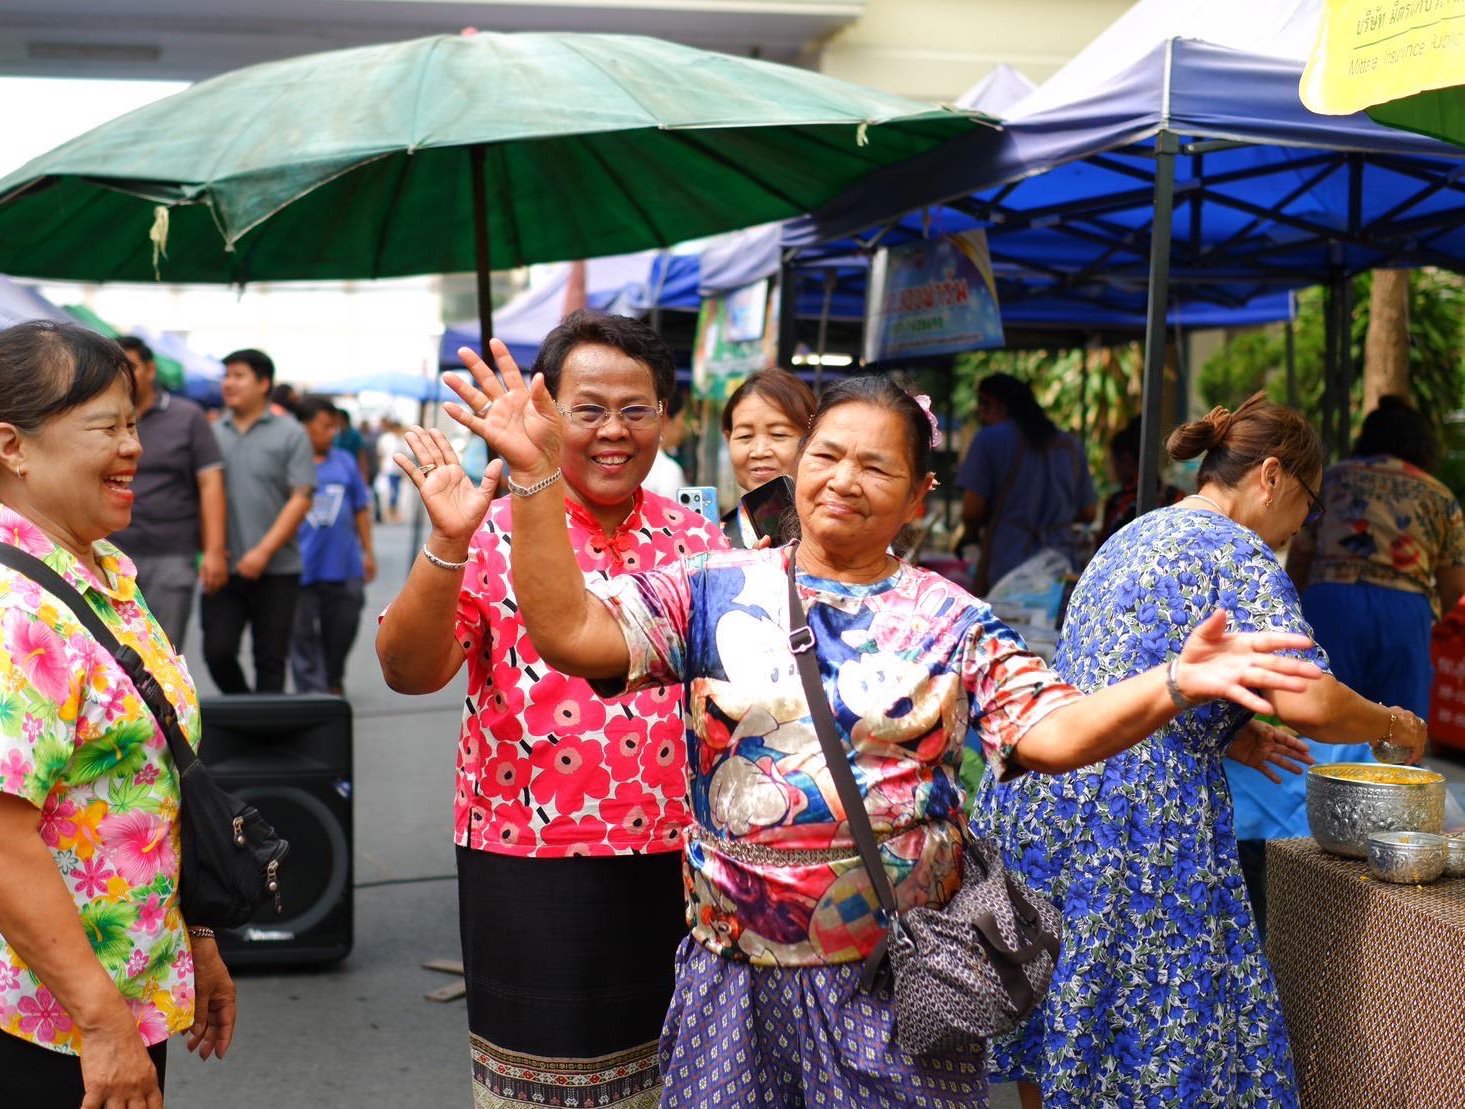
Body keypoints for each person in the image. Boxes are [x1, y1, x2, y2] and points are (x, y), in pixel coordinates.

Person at [447, 351, 1328, 1108]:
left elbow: (1052, 729)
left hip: (892, 985)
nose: (843, 479)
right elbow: (568, 633)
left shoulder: (952, 619)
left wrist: (1172, 681)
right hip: (732, 974)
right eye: (826, 454)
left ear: (918, 496)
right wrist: (532, 480)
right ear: (796, 470)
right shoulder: (709, 585)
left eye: (875, 466)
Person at [969, 392, 1428, 1109]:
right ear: (1271, 475)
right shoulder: (1236, 550)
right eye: (1306, 501)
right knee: (1158, 1031)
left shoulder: (1135, 531)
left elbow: (1124, 664)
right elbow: (1306, 696)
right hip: (1132, 819)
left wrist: (1224, 730)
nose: (1301, 524)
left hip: (1046, 785)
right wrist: (1393, 721)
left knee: (1059, 1015)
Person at [375, 312, 727, 1109]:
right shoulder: (488, 531)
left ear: (664, 419)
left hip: (684, 862)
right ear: (546, 413)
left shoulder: (701, 543)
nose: (613, 431)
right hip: (526, 860)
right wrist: (446, 545)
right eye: (589, 408)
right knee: (541, 1086)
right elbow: (408, 671)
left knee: (677, 1078)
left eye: (635, 410)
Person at [0, 321, 236, 1108]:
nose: (133, 447)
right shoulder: (10, 608)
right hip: (48, 1017)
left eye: (133, 423)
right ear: (12, 446)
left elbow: (152, 773)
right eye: (105, 428)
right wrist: (101, 1024)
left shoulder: (105, 574)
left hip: (130, 981)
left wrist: (197, 939)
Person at [1229, 394, 1465, 929]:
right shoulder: (1438, 493)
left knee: (1323, 746)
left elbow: (1302, 558)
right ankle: (1389, 901)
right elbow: (1455, 589)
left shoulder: (1328, 478)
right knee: (1400, 751)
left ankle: (1318, 864)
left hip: (1332, 603)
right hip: (1404, 612)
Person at [202, 348, 315, 694]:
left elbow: (301, 497)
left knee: (270, 659)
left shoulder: (291, 433)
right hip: (222, 565)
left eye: (238, 375)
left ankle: (269, 736)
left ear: (263, 383)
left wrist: (263, 552)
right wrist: (211, 551)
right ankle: (246, 711)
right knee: (217, 652)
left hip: (278, 568)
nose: (228, 383)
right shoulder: (209, 432)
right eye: (226, 376)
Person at [109, 335, 228, 651]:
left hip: (172, 552)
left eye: (130, 366)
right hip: (110, 552)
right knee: (113, 652)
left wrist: (214, 551)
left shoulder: (187, 416)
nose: (122, 375)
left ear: (150, 370)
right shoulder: (100, 418)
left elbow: (210, 483)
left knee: (165, 652)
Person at [958, 373, 1096, 593]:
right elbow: (1089, 512)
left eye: (982, 407)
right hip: (1060, 568)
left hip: (1007, 567)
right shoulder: (1070, 445)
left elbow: (972, 511)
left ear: (996, 405)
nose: (980, 415)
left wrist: (970, 537)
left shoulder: (989, 440)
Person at [291, 397, 376, 696]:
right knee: (300, 634)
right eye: (324, 427)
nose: (331, 434)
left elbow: (361, 508)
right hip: (299, 566)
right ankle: (312, 694)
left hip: (344, 565)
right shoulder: (289, 463)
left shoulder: (345, 461)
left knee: (342, 627)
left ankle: (333, 676)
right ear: (304, 427)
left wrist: (368, 552)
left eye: (334, 428)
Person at [720, 368, 816, 546]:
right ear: (728, 438)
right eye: (745, 436)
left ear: (811, 440)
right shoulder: (712, 539)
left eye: (778, 434)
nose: (759, 451)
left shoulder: (835, 532)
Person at [1094, 418, 1181, 552]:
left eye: (1112, 461)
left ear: (1126, 460)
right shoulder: (1177, 496)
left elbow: (1103, 550)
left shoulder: (1119, 504)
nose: (1111, 468)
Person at [641, 390, 692, 499]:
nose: (684, 427)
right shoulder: (668, 470)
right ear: (665, 420)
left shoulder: (640, 460)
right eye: (682, 418)